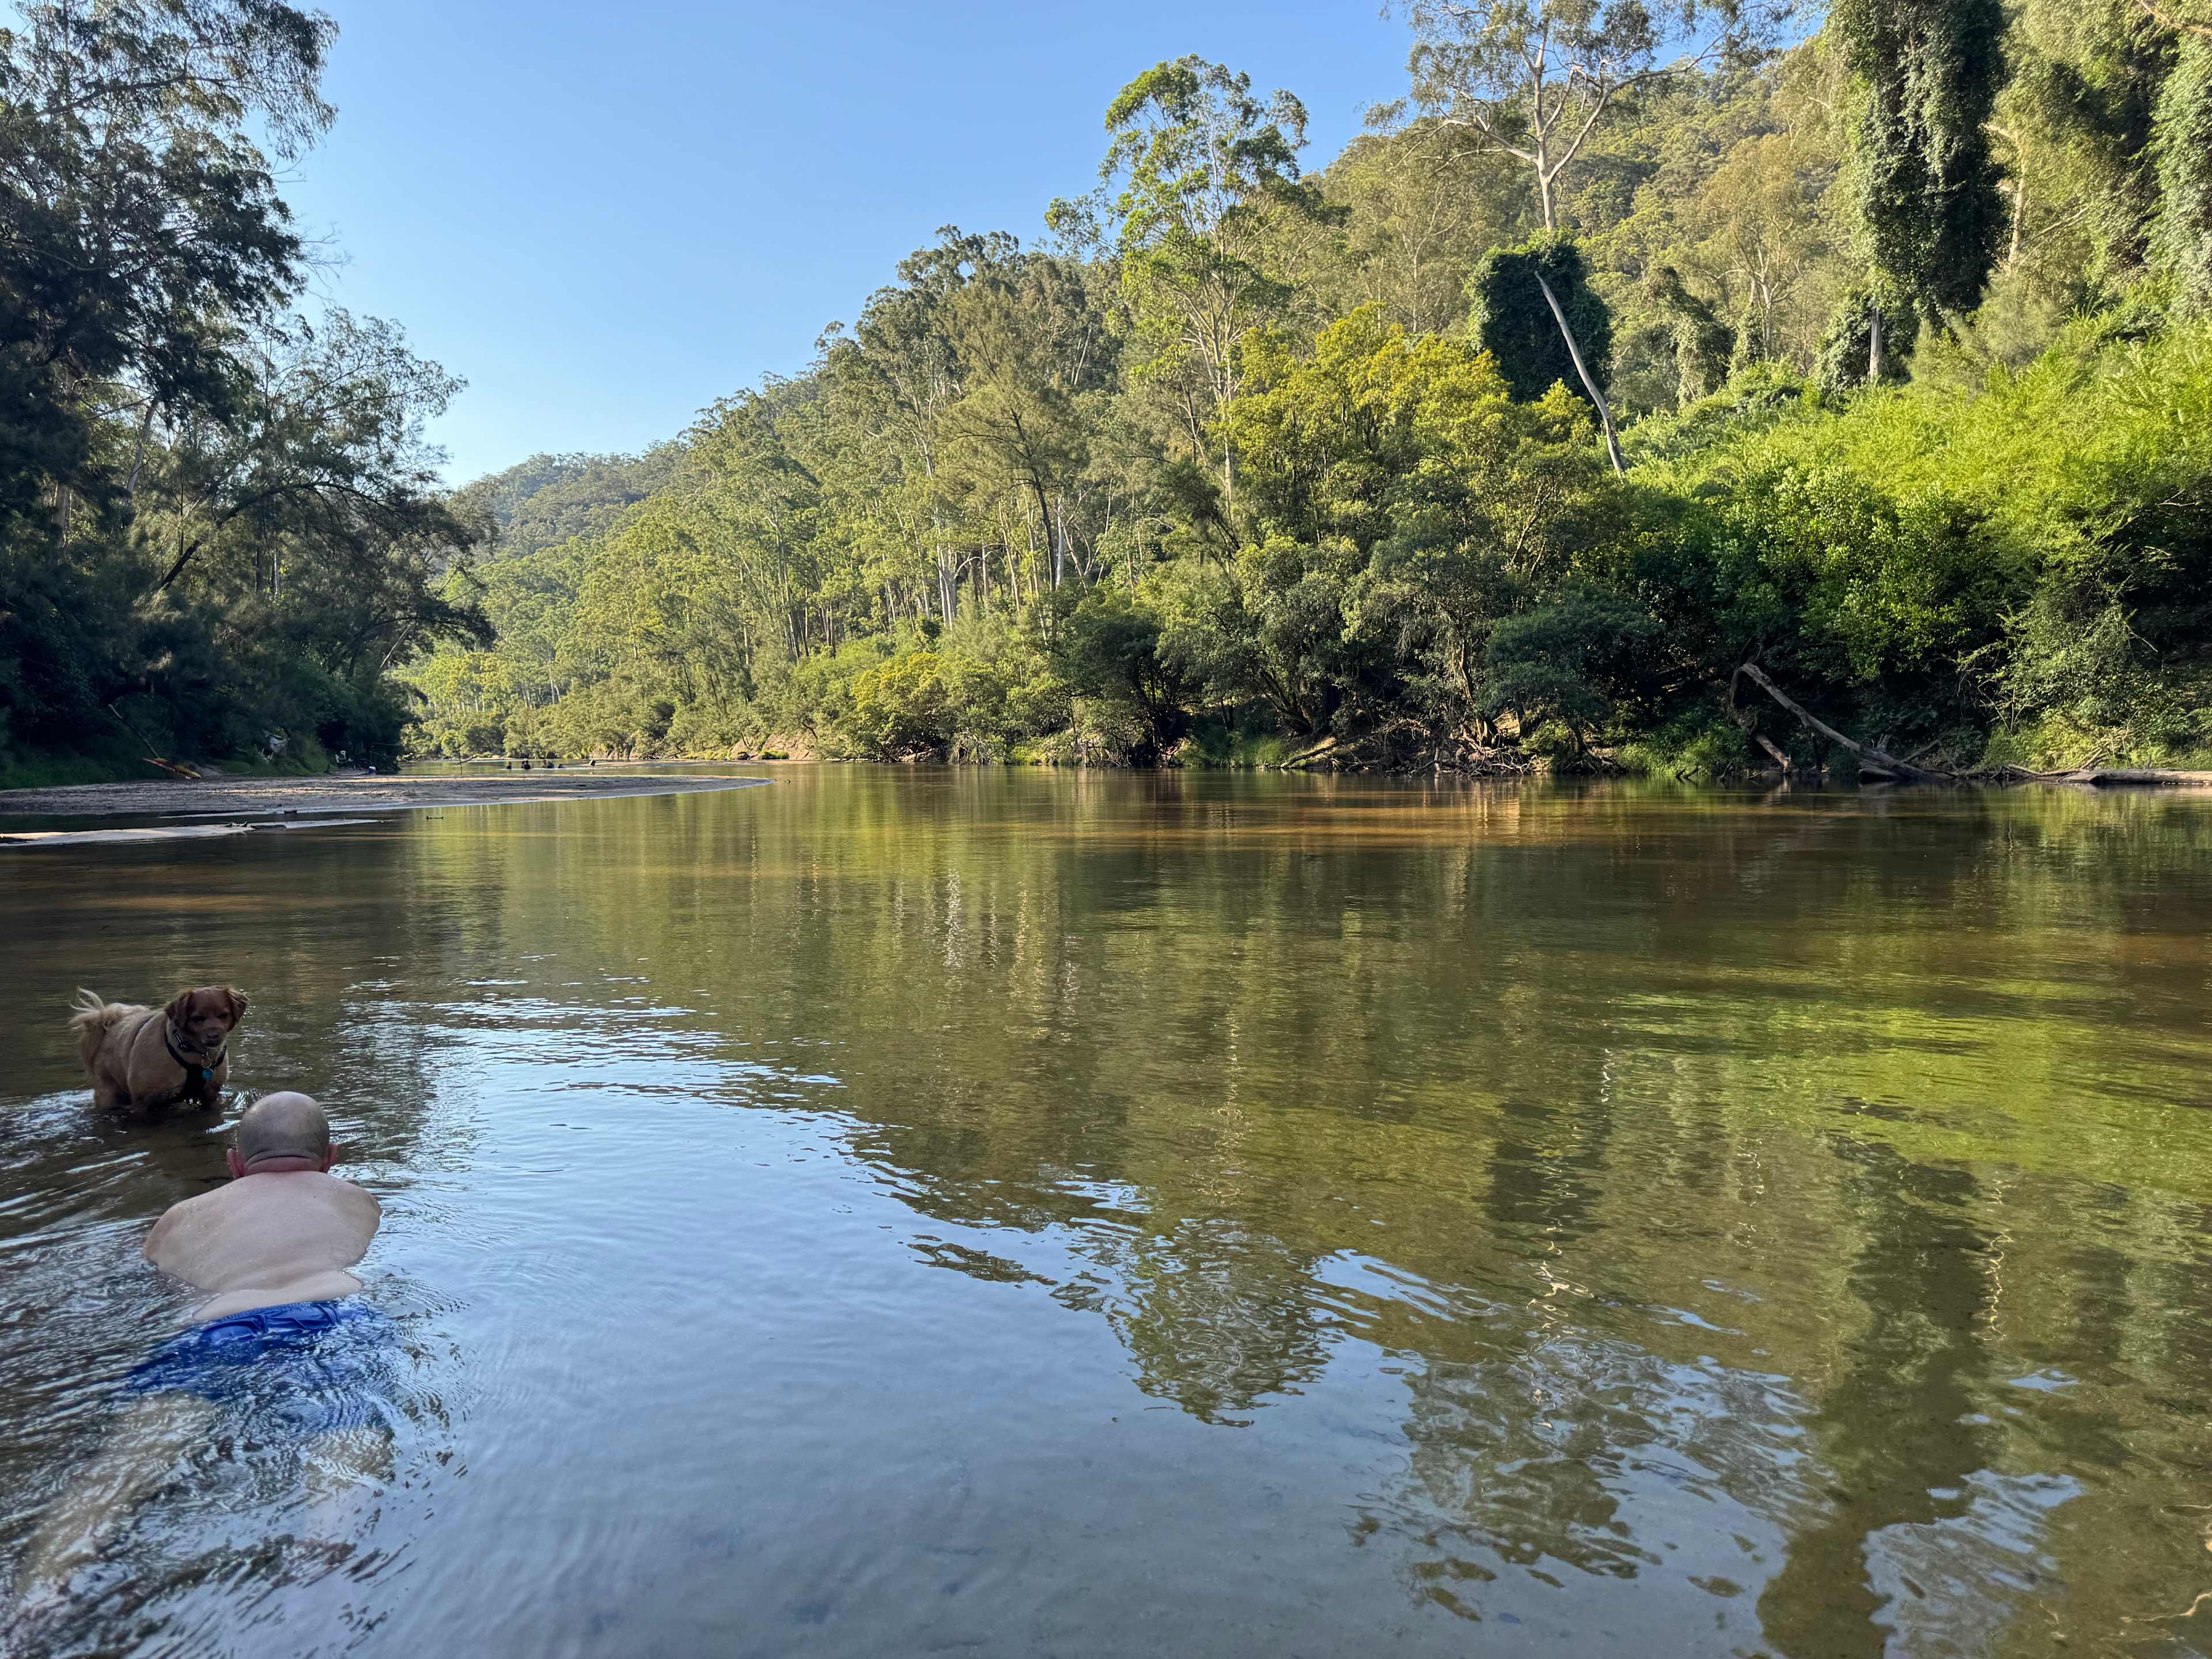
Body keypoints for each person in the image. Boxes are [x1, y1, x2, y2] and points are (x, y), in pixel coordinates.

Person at [12, 1094, 389, 1608]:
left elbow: (162, 1284)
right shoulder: (355, 1197)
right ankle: (321, 1562)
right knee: (348, 1435)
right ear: (332, 1159)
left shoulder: (181, 1217)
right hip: (334, 1314)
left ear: (234, 1165)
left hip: (216, 1331)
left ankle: (37, 1603)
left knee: (120, 1472)